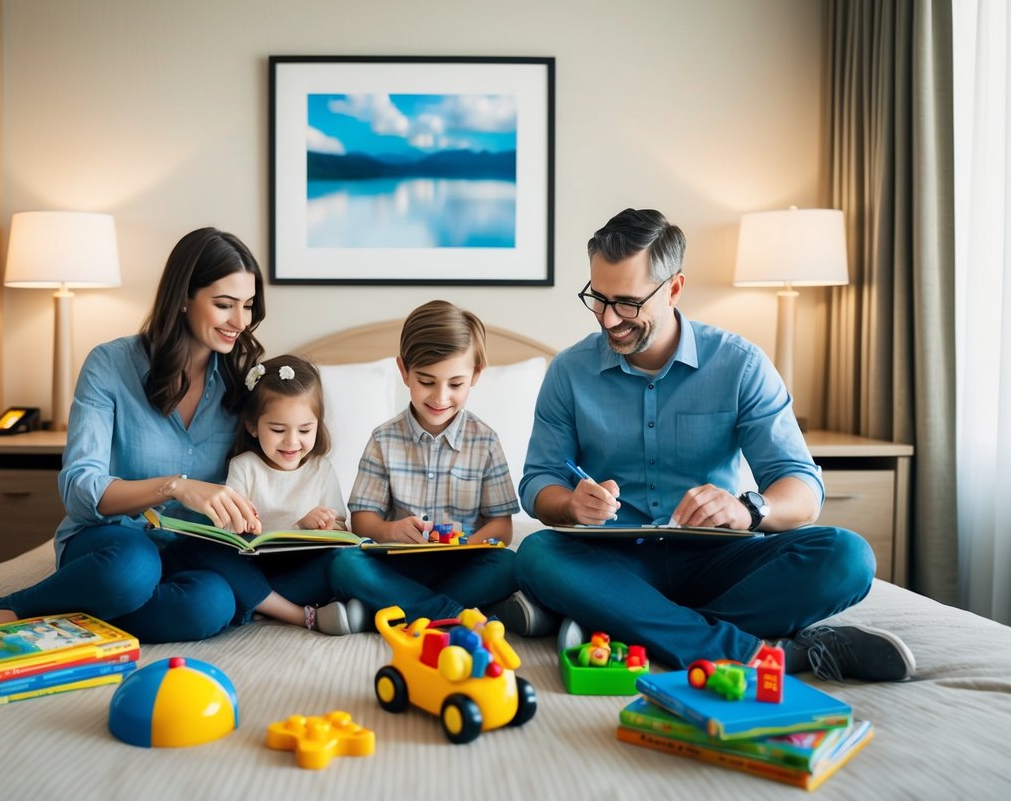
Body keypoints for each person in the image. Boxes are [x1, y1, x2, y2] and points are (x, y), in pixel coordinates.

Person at [0, 227, 348, 649]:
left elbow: (273, 468)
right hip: (110, 543)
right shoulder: (110, 365)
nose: (239, 321)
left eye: (247, 306)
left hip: (189, 554)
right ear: (183, 296)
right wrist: (175, 486)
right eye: (224, 304)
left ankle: (67, 616)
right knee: (130, 570)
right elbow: (79, 488)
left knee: (210, 607)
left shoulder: (243, 386)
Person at [514, 208, 916, 682]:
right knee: (538, 554)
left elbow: (802, 488)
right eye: (597, 299)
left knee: (847, 556)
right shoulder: (569, 372)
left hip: (720, 557)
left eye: (627, 303)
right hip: (616, 559)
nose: (608, 318)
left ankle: (625, 625)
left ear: (674, 288)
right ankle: (774, 654)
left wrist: (748, 510)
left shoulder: (740, 364)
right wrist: (569, 504)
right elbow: (538, 481)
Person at [329, 300, 521, 625]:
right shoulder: (383, 439)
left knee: (511, 565)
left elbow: (501, 526)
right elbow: (361, 520)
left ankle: (397, 610)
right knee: (344, 564)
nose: (440, 397)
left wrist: (465, 546)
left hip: (463, 567)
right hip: (399, 565)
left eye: (455, 384)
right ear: (404, 371)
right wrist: (389, 530)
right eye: (427, 381)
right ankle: (450, 614)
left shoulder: (485, 440)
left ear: (475, 375)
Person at [224, 353, 364, 633]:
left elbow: (341, 531)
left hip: (303, 575)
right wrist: (293, 525)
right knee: (215, 560)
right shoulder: (244, 468)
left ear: (317, 426)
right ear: (253, 425)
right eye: (278, 429)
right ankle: (300, 614)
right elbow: (229, 535)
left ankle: (335, 606)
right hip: (259, 576)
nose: (292, 442)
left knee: (347, 562)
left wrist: (325, 527)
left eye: (304, 430)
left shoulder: (320, 469)